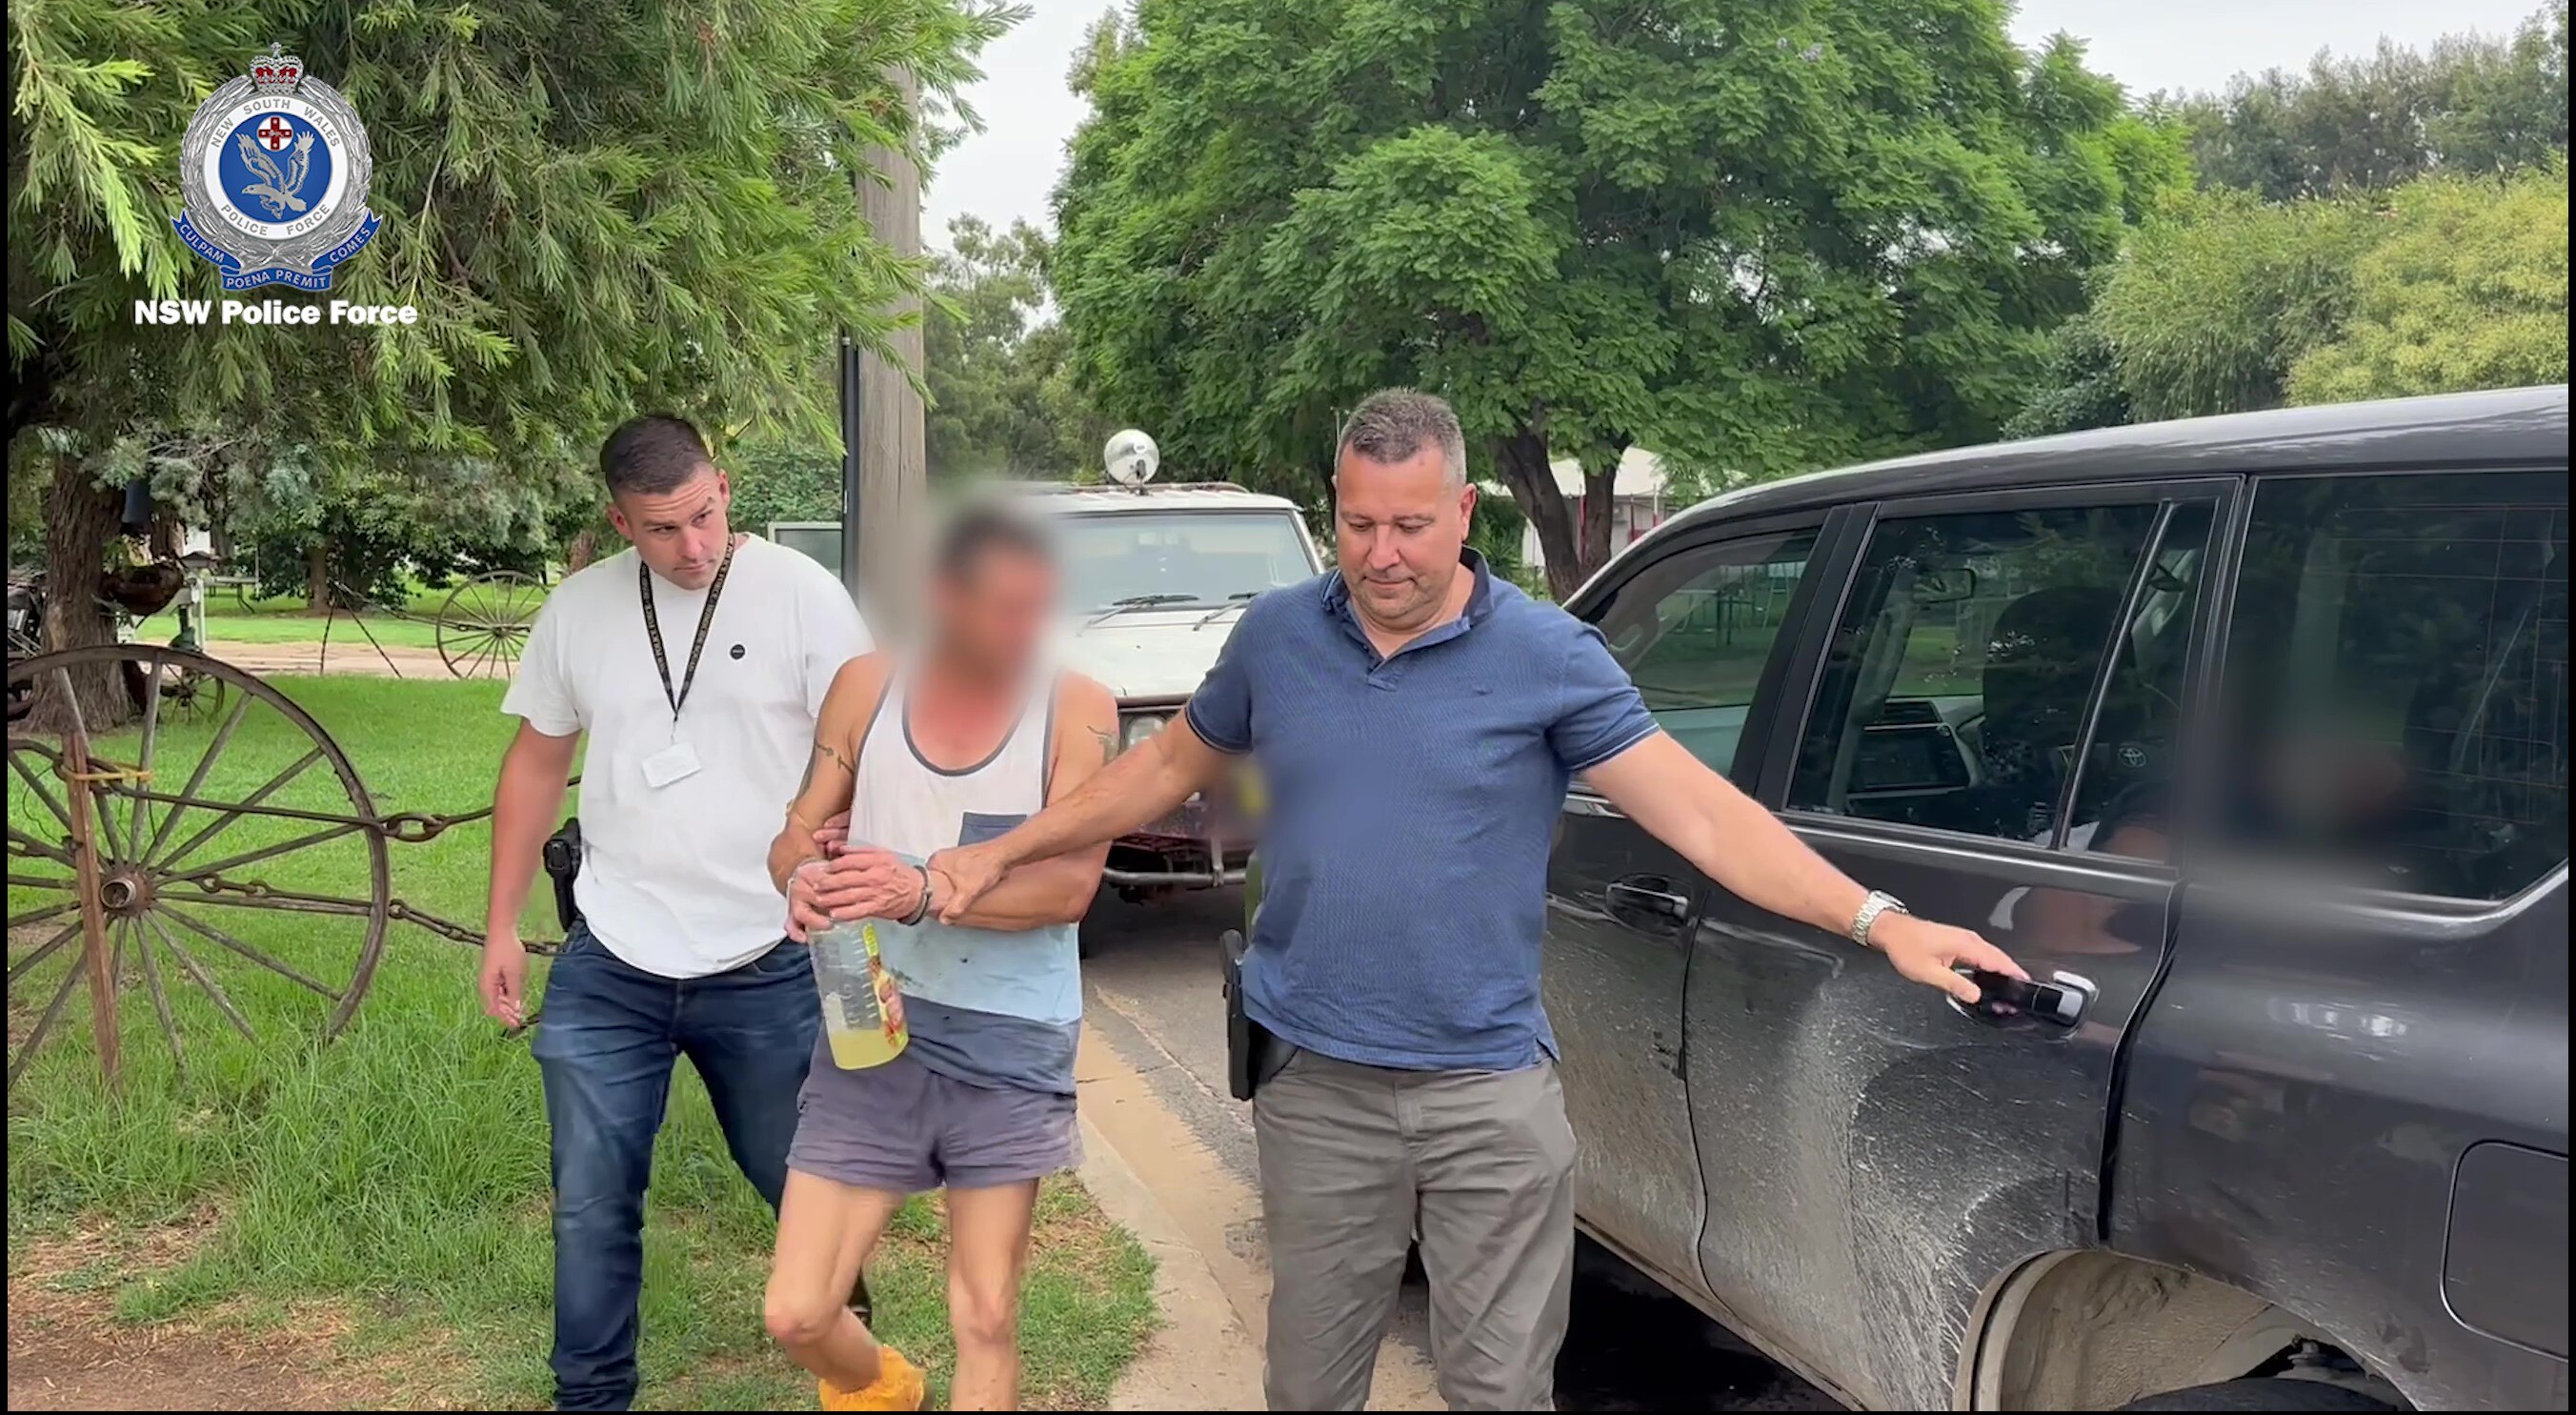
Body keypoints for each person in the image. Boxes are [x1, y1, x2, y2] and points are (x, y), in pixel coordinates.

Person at [930, 389, 2029, 1411]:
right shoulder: (1278, 634)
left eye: (1409, 524)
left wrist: (1879, 919)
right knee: (1308, 1384)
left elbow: (1699, 813)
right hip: (1317, 1081)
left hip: (1487, 1094)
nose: (1382, 554)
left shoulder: (1548, 654)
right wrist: (1005, 851)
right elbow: (1164, 765)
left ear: (1463, 510)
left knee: (1499, 1391)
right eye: (1357, 524)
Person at [480, 414, 875, 1411]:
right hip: (613, 950)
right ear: (621, 521)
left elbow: (865, 741)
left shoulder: (802, 595)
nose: (692, 547)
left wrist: (847, 854)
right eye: (662, 529)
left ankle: (850, 1349)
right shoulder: (579, 609)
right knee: (590, 1199)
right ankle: (592, 1395)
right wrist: (499, 925)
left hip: (770, 950)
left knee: (798, 1178)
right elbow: (535, 760)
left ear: (725, 486)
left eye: (704, 515)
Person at [762, 505, 1117, 1412]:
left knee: (985, 1313)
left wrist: (916, 888)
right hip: (869, 1020)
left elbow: (1067, 890)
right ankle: (885, 1389)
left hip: (1008, 1039)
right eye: (1000, 608)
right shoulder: (867, 687)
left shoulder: (1076, 707)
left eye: (1036, 609)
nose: (1021, 632)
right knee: (799, 1312)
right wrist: (803, 878)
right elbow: (794, 838)